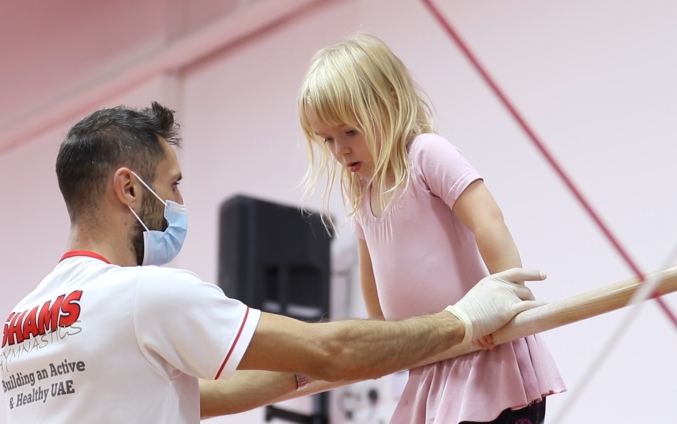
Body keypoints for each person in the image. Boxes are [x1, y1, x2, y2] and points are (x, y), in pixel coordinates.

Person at [0, 102, 547, 423]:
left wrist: (305, 367)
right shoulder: (144, 297)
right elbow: (331, 349)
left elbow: (201, 398)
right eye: (173, 185)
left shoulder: (15, 329)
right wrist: (463, 319)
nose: (180, 204)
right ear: (128, 188)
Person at [297, 34, 567, 424]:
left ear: (389, 101)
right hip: (432, 355)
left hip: (484, 346)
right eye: (328, 140)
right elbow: (373, 287)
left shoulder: (425, 154)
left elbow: (489, 220)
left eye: (349, 132)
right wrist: (388, 340)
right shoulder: (361, 193)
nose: (340, 150)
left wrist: (509, 299)